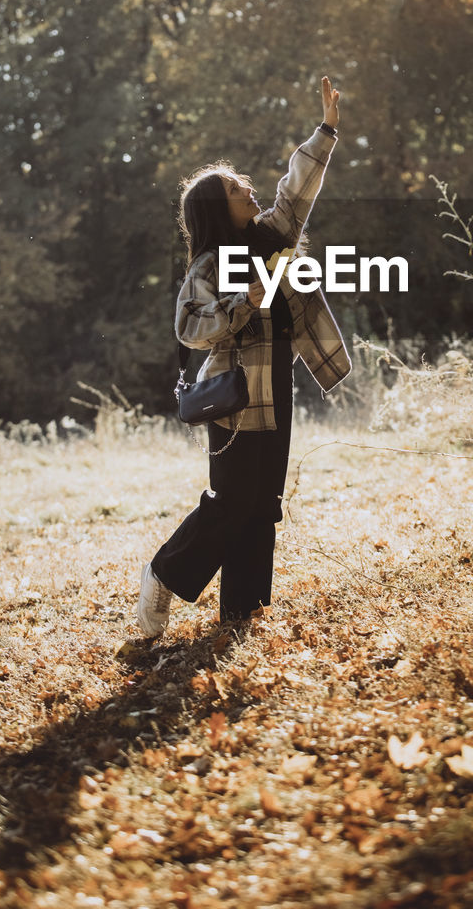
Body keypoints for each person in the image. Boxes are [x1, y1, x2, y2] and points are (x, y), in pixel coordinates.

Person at [137, 76, 351, 637]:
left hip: (278, 379)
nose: (249, 190)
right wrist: (244, 301)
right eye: (236, 189)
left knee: (263, 504)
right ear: (217, 207)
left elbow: (296, 191)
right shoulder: (208, 265)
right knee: (232, 500)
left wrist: (326, 129)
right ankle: (163, 573)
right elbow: (190, 326)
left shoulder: (270, 234)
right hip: (235, 392)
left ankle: (243, 611)